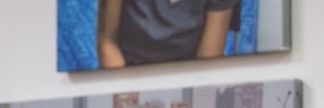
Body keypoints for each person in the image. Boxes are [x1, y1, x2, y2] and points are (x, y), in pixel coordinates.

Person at [97, 0, 234, 67]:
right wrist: (125, 95)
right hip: (128, 77)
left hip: (187, 82)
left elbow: (208, 61)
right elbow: (108, 43)